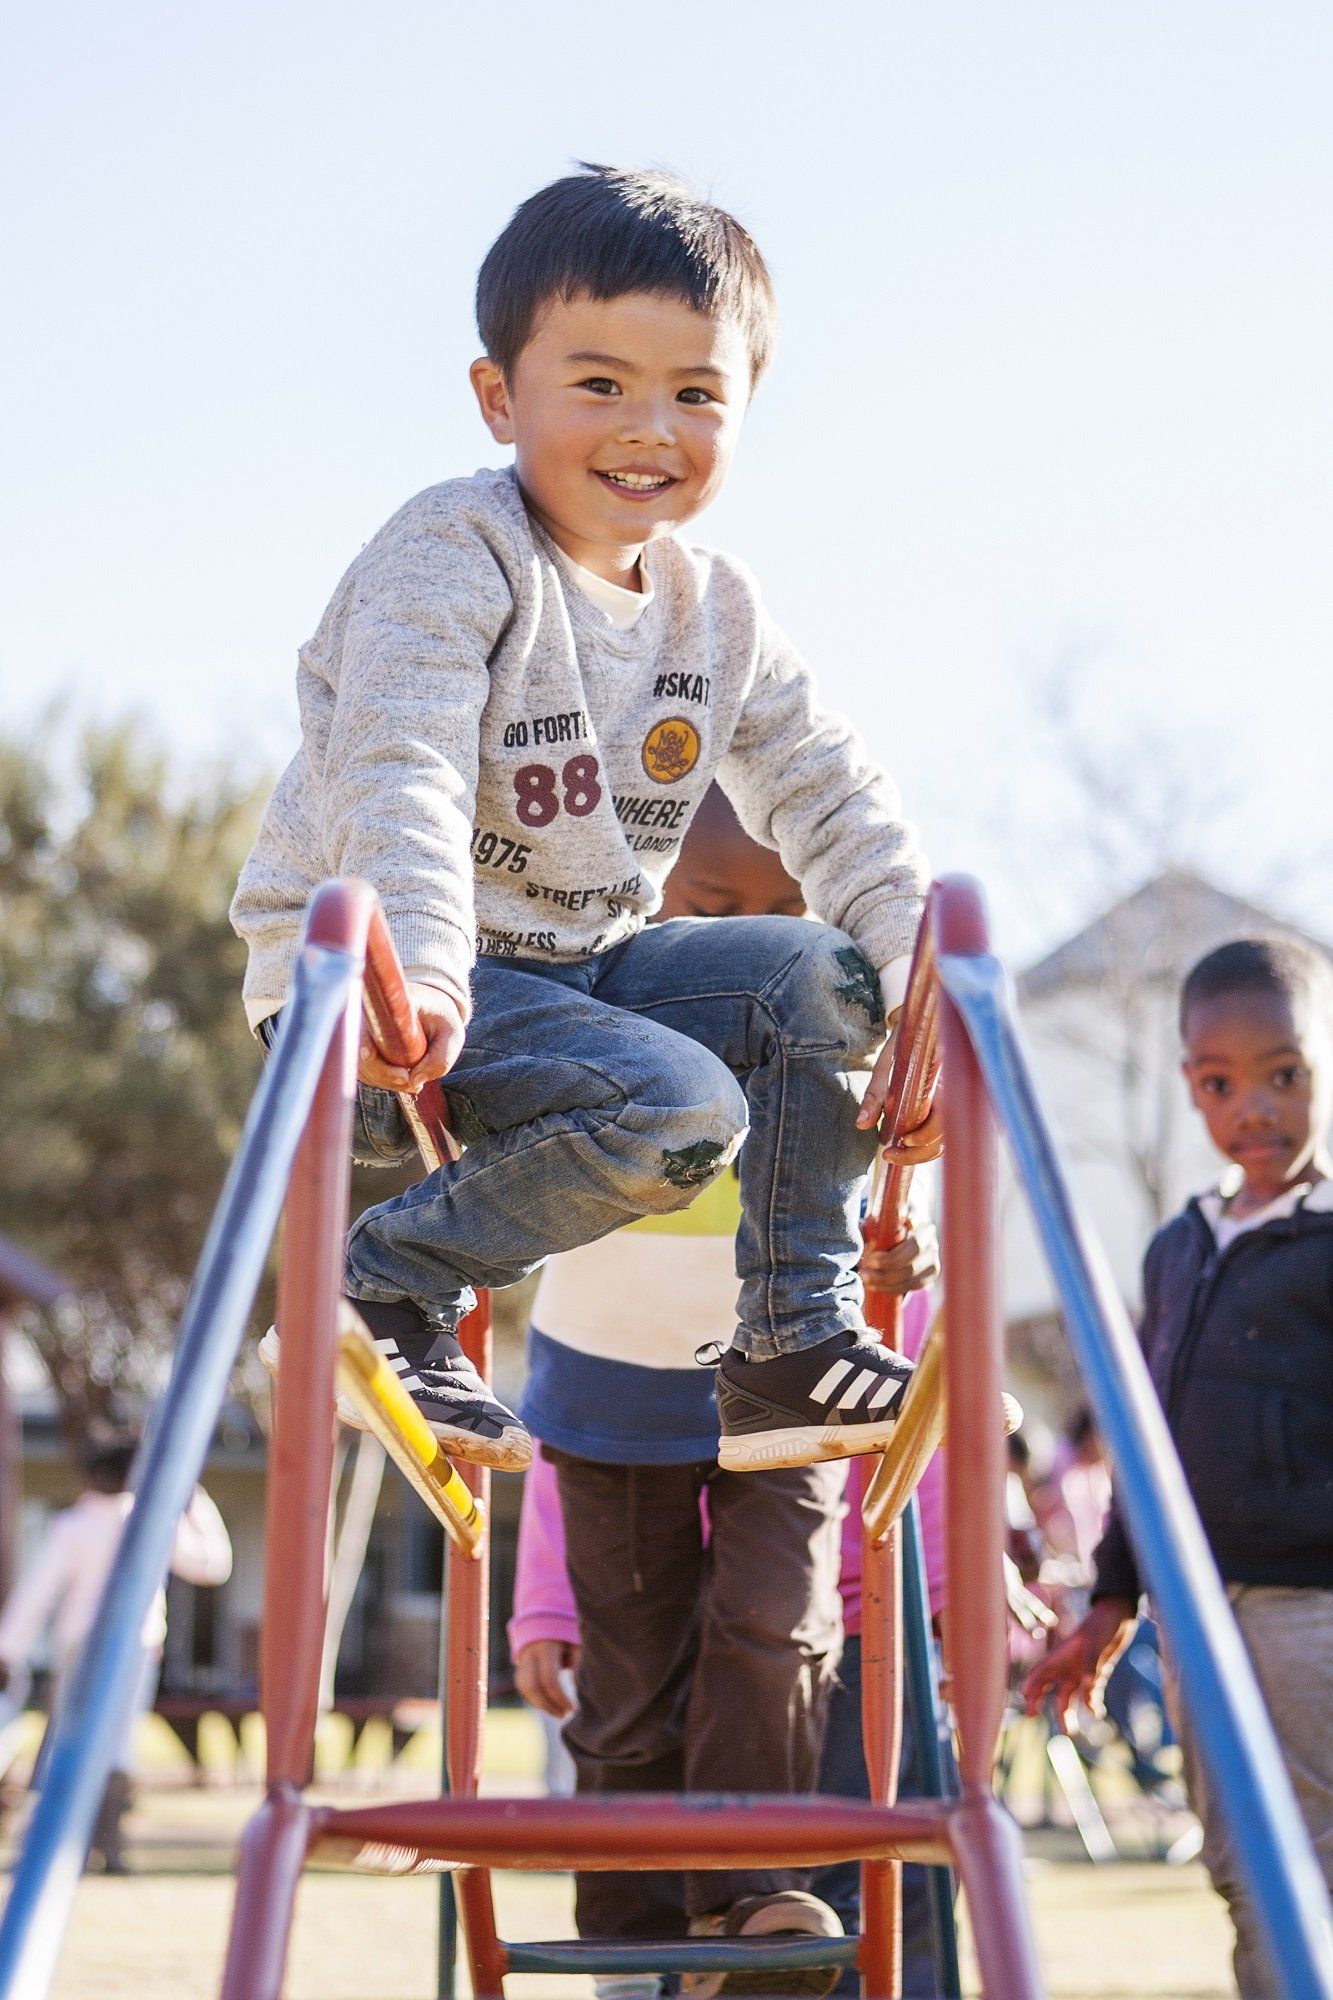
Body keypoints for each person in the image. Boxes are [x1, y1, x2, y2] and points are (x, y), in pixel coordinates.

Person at [231, 163, 937, 1479]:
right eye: (599, 383)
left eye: (694, 393)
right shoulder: (455, 548)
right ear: (501, 396)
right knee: (681, 1108)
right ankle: (376, 1286)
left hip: (579, 972)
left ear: (745, 409)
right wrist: (427, 965)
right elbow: (403, 768)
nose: (647, 428)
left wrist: (918, 987)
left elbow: (830, 786)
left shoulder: (713, 608)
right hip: (382, 991)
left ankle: (790, 1342)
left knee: (815, 976)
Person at [508, 790, 948, 1999]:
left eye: (783, 916)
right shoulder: (601, 1018)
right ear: (649, 902)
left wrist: (885, 1259)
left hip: (777, 1384)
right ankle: (634, 1915)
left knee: (778, 1616)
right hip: (608, 1389)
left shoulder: (823, 1044)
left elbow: (877, 1200)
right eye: (714, 911)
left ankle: (749, 1894)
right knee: (632, 1664)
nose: (754, 948)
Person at [1024, 937, 1333, 1998]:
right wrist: (1112, 1596)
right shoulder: (1178, 1247)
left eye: (1285, 1073)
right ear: (1190, 1087)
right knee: (1239, 1865)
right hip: (1197, 1610)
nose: (1255, 1105)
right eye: (1220, 1081)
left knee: (1318, 1860)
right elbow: (1146, 1436)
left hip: (1312, 1605)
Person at [0, 1433, 232, 1871]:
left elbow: (37, 1593)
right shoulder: (152, 1519)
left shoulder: (75, 1525)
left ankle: (58, 1842)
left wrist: (9, 1649)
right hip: (136, 1646)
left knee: (70, 1736)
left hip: (81, 1643)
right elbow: (213, 1565)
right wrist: (193, 1497)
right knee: (119, 1741)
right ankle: (110, 1845)